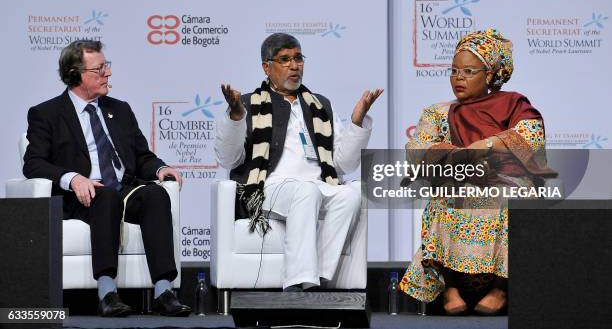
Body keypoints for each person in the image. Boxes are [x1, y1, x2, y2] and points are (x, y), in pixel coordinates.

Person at [23, 40, 191, 317]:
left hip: (122, 189)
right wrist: (72, 178)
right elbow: (34, 164)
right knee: (105, 196)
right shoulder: (47, 114)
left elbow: (141, 156)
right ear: (77, 74)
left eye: (107, 67)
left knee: (156, 194)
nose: (108, 74)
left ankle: (164, 291)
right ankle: (107, 292)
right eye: (100, 69)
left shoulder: (120, 109)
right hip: (79, 197)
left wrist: (160, 169)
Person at [400, 28, 556, 315]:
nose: (458, 78)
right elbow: (417, 151)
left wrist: (486, 145)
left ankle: (500, 288)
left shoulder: (512, 103)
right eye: (454, 70)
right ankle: (450, 288)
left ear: (489, 74)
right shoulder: (437, 112)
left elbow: (531, 138)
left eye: (468, 71)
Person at [215, 33, 383, 291]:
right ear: (266, 67)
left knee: (353, 192)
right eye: (285, 60)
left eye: (298, 58)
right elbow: (229, 158)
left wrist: (357, 122)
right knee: (306, 191)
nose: (294, 66)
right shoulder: (248, 104)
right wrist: (236, 116)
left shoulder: (320, 105)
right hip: (270, 187)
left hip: (317, 184)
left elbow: (344, 164)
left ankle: (321, 277)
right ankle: (299, 282)